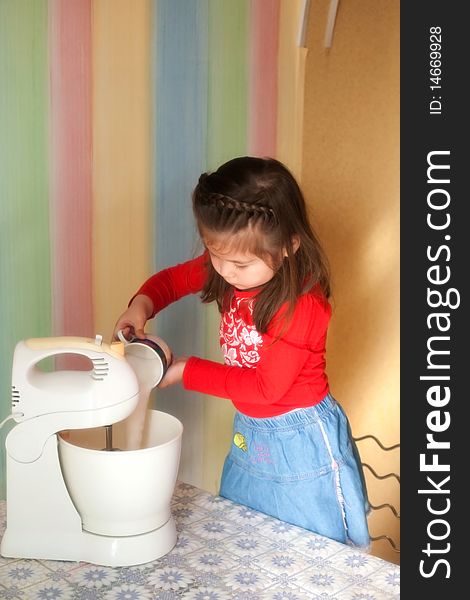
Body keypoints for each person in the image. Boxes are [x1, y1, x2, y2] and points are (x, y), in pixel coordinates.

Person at [113, 156, 370, 548]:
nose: (225, 270)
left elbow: (269, 389)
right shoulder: (228, 265)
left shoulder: (303, 306)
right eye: (214, 255)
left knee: (309, 549)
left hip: (300, 440)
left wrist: (186, 370)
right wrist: (141, 306)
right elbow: (171, 280)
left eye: (239, 263)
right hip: (251, 430)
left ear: (289, 245)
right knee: (245, 537)